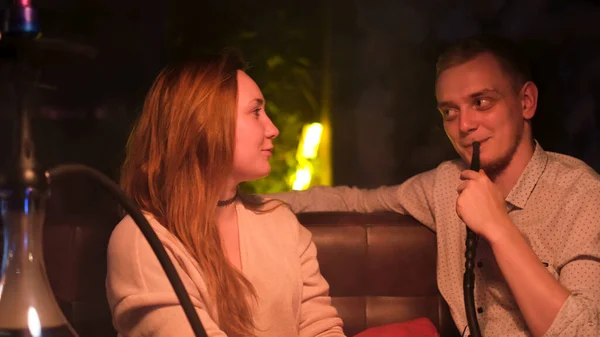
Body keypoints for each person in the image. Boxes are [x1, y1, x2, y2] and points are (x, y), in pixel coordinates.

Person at [270, 35, 600, 337]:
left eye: (481, 102)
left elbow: (583, 332)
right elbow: (353, 201)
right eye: (449, 112)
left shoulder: (582, 195)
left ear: (526, 101)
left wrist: (498, 227)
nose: (465, 125)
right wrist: (239, 199)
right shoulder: (446, 184)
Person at [105, 52, 346, 337]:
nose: (273, 129)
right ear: (203, 123)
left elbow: (322, 329)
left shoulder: (281, 223)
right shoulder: (141, 240)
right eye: (256, 112)